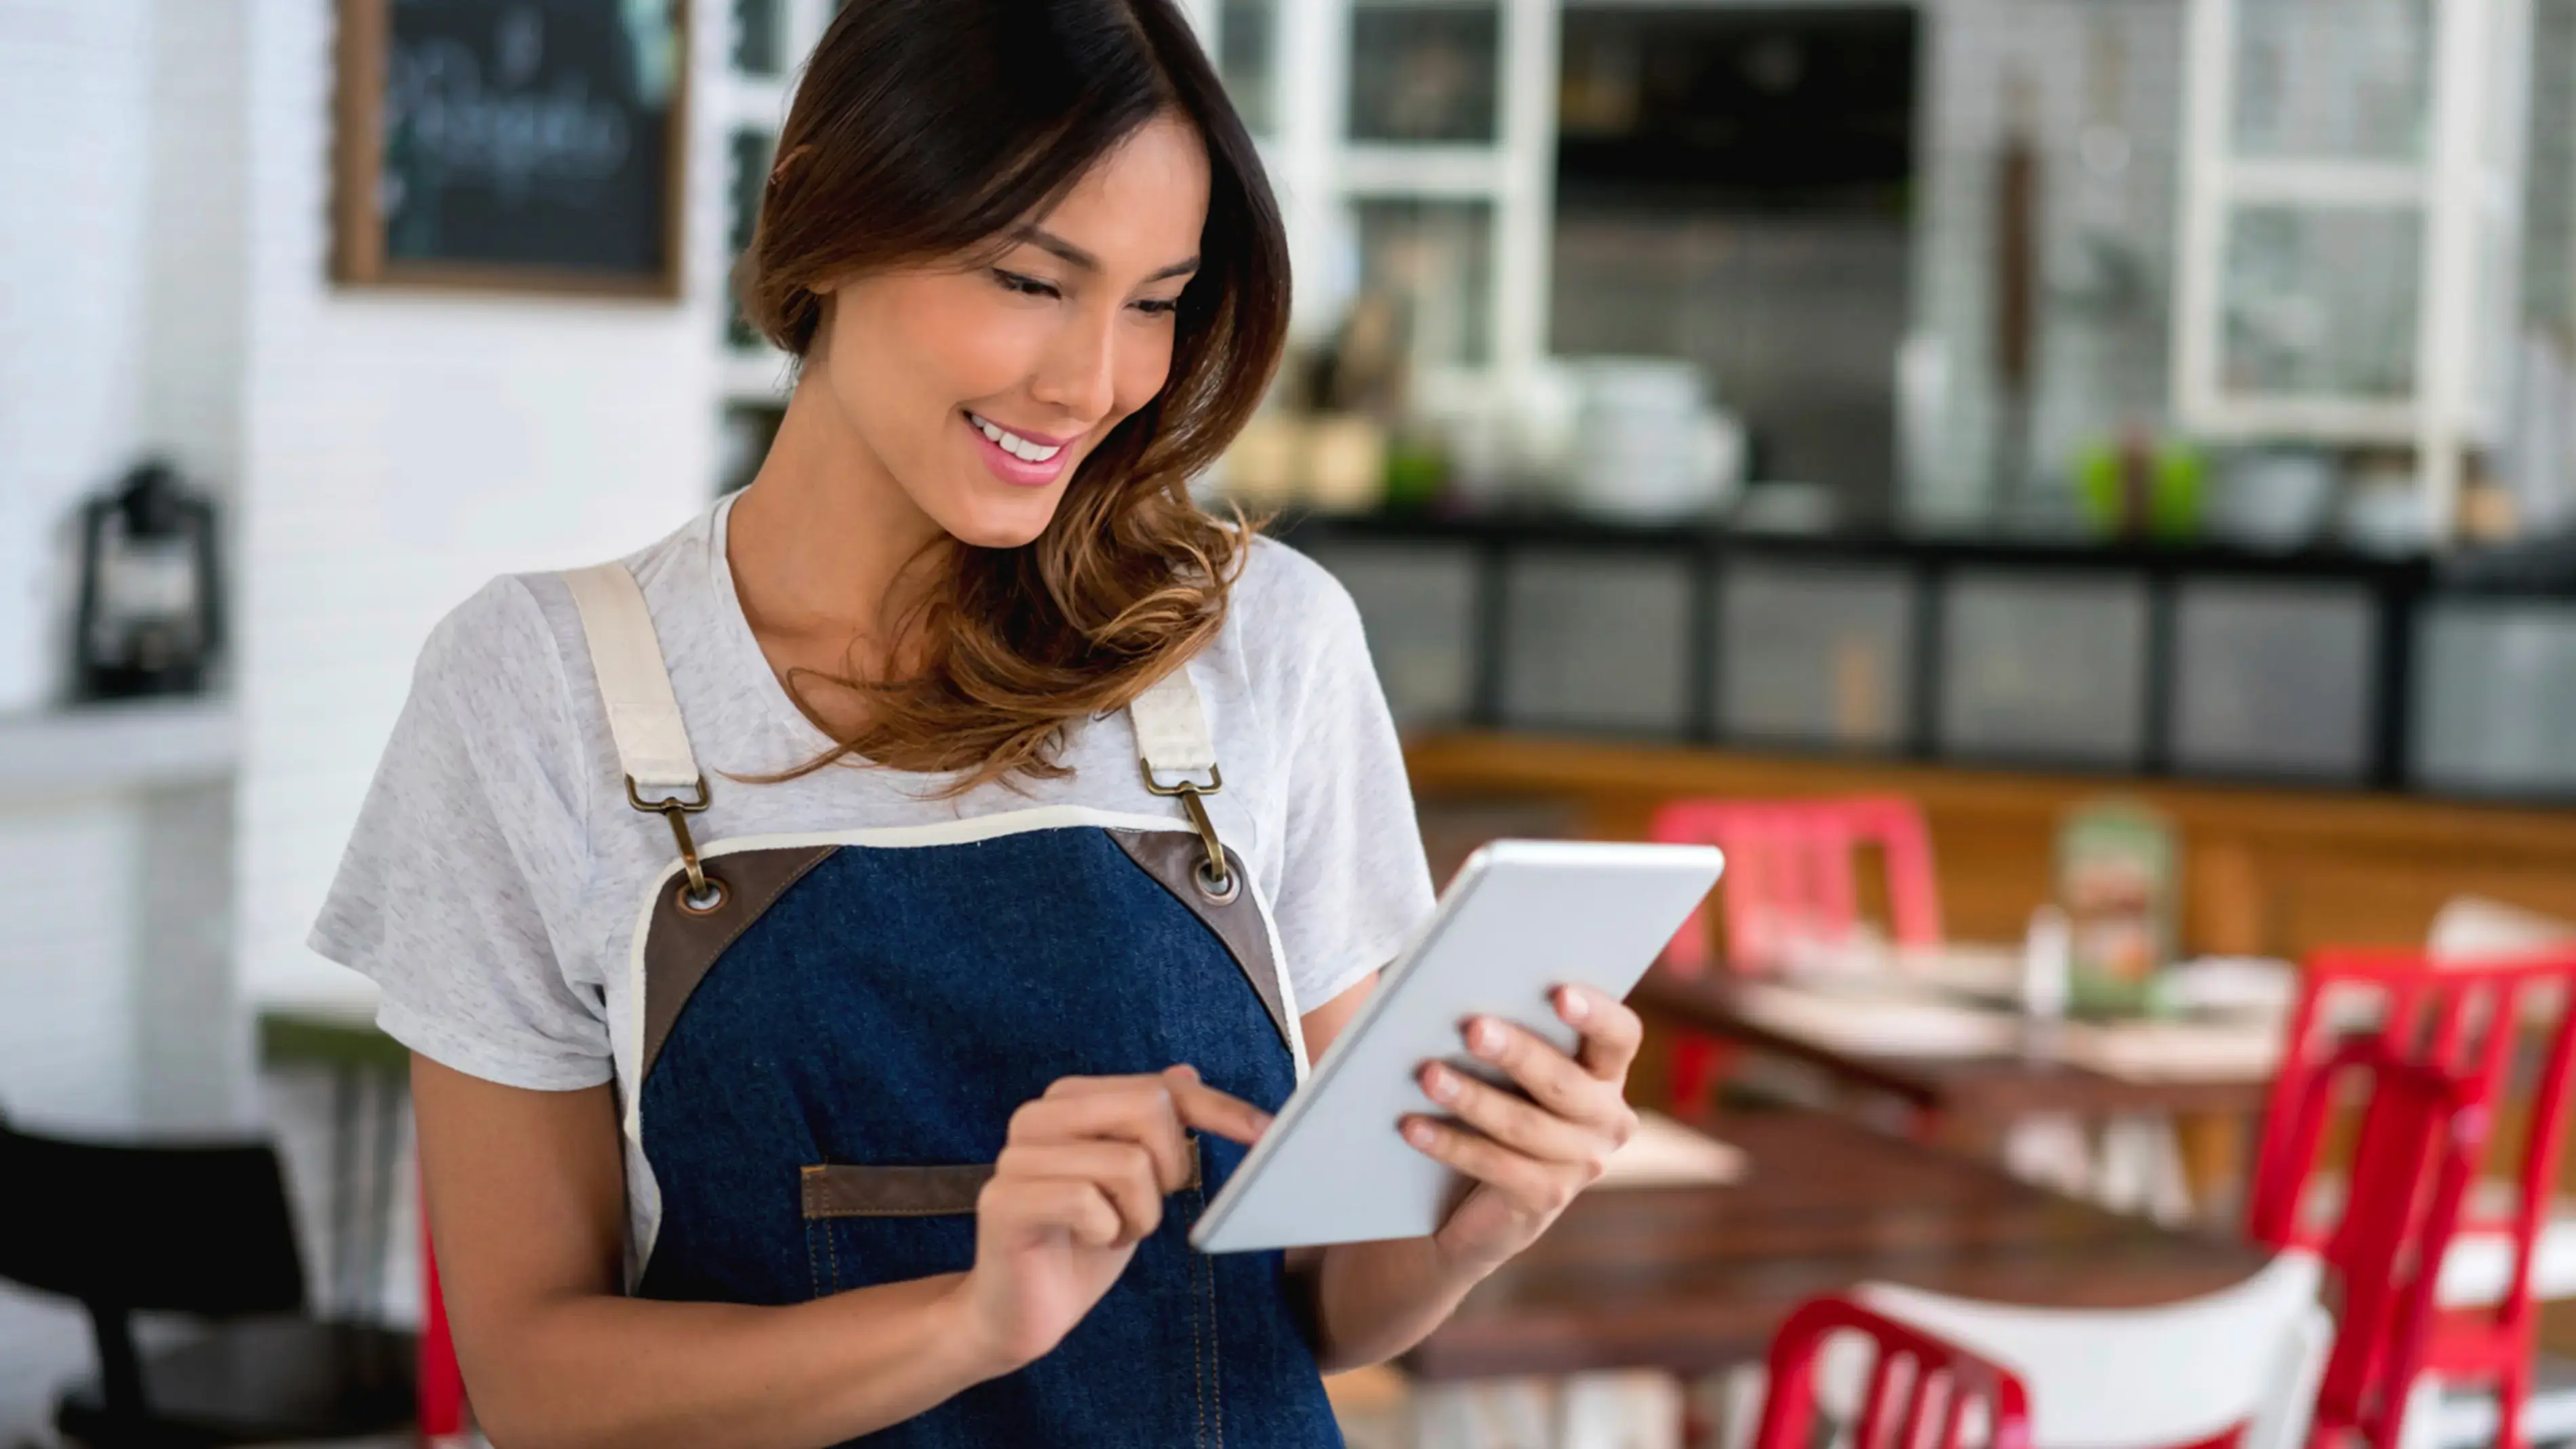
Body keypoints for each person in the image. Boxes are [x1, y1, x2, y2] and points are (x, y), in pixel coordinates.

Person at [311, 2, 1643, 1444]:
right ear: (825, 211)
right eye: (1028, 278)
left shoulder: (1261, 643)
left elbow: (1311, 1296)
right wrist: (967, 1321)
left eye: (1153, 300)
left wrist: (1468, 1221)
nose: (1091, 384)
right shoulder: (539, 689)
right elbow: (535, 1379)